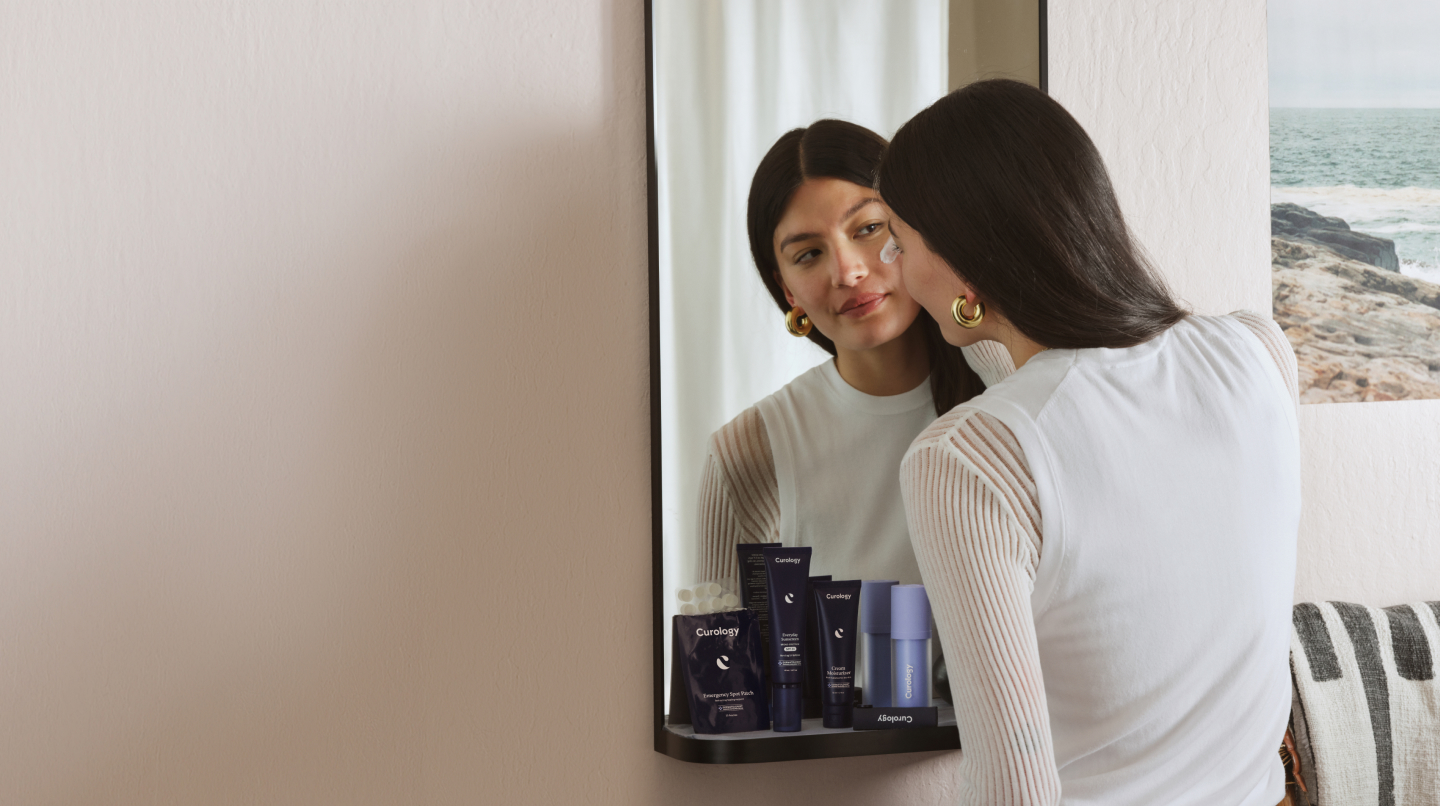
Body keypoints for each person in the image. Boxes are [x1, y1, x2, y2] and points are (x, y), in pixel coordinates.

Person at [878, 79, 1300, 805]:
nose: (893, 266)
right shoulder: (1259, 351)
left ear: (959, 259)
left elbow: (1013, 792)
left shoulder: (966, 460)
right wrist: (987, 316)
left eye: (898, 239)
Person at [694, 119, 1014, 586]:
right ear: (787, 290)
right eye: (808, 254)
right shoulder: (747, 452)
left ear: (916, 228)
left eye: (868, 228)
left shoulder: (1010, 385)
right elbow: (716, 631)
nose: (847, 272)